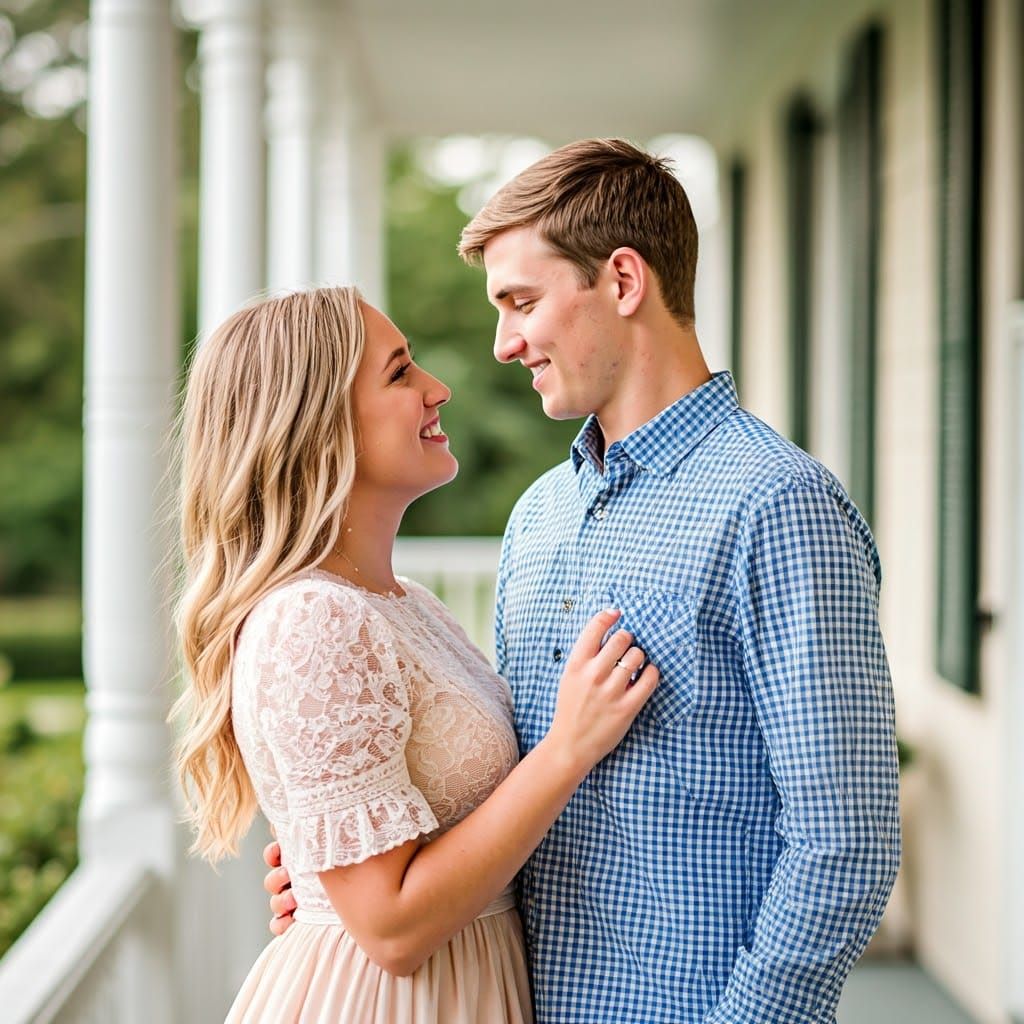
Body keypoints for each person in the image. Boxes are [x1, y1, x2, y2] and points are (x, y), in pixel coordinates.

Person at [267, 140, 901, 1023]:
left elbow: (845, 843)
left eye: (522, 303)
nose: (504, 344)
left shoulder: (777, 505)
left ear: (624, 281)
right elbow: (508, 772)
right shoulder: (539, 516)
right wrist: (340, 874)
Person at [172, 285, 660, 1024]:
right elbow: (392, 930)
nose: (438, 389)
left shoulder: (410, 606)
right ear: (317, 423)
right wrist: (569, 747)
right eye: (400, 373)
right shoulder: (313, 619)